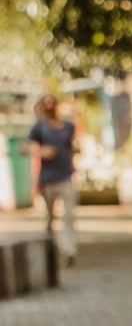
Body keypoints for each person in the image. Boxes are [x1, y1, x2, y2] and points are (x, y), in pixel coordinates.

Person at [24, 93, 79, 265]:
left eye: (52, 103)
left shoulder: (68, 127)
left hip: (66, 177)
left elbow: (72, 148)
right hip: (47, 179)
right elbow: (24, 148)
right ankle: (50, 250)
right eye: (45, 104)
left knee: (69, 215)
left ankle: (69, 249)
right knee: (50, 218)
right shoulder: (39, 128)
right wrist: (40, 152)